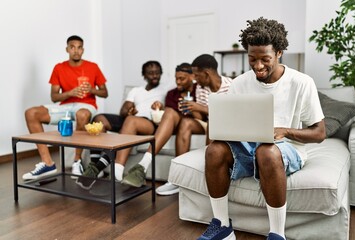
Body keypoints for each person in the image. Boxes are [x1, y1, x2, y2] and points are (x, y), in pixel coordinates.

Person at [197, 17, 326, 240]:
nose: (258, 66)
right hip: (248, 147)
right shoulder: (240, 83)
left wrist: (284, 131)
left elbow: (319, 133)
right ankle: (222, 226)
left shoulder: (302, 82)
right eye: (252, 59)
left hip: (285, 149)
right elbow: (231, 122)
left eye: (265, 59)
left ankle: (277, 234)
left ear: (279, 53)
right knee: (214, 149)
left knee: (266, 150)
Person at [23, 35, 108, 181]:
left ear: (83, 50)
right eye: (72, 47)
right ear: (67, 49)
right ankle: (47, 163)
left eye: (79, 47)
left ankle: (77, 162)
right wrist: (70, 93)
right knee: (31, 113)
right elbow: (54, 97)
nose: (76, 50)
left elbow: (104, 93)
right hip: (66, 106)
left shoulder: (92, 67)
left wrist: (92, 90)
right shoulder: (59, 68)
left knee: (82, 114)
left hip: (86, 105)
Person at [150, 54, 233, 195]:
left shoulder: (231, 86)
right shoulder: (201, 88)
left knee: (214, 121)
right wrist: (192, 109)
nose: (194, 79)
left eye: (197, 75)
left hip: (224, 123)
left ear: (206, 74)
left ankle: (209, 173)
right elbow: (201, 117)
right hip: (207, 121)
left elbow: (230, 114)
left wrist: (200, 107)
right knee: (186, 122)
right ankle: (177, 178)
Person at [76, 60, 167, 189]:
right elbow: (123, 111)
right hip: (130, 119)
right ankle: (96, 166)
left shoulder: (165, 90)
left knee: (131, 120)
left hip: (149, 122)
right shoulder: (136, 90)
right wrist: (129, 110)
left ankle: (110, 171)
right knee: (98, 119)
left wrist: (160, 107)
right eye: (151, 73)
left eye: (157, 73)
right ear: (144, 75)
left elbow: (169, 107)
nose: (154, 76)